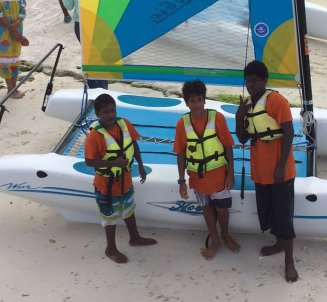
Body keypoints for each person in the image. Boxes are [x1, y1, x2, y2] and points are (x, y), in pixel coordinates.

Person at [235, 60, 298, 283]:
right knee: (269, 211)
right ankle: (278, 243)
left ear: (264, 80)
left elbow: (289, 133)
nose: (250, 85)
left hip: (280, 171)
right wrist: (239, 115)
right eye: (247, 81)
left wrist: (281, 166)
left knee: (284, 215)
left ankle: (289, 261)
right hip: (260, 170)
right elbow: (242, 138)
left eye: (254, 81)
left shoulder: (276, 101)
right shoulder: (248, 105)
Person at [84, 93, 157, 263]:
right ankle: (110, 248)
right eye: (105, 112)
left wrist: (140, 165)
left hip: (125, 181)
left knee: (129, 209)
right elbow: (89, 161)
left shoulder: (124, 124)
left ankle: (135, 238)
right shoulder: (95, 136)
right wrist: (114, 163)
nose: (110, 115)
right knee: (110, 217)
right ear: (98, 114)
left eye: (112, 111)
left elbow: (134, 144)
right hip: (106, 186)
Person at [173, 79, 239, 260]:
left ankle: (225, 235)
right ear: (186, 103)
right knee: (206, 208)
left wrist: (231, 174)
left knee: (223, 209)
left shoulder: (217, 118)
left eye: (199, 100)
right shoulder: (182, 124)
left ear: (204, 100)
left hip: (219, 175)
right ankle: (215, 240)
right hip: (198, 178)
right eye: (192, 101)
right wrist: (181, 182)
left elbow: (228, 146)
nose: (196, 105)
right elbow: (180, 154)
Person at [62, 0, 109, 90]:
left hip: (81, 24)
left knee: (88, 57)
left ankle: (93, 88)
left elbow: (69, 5)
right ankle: (103, 88)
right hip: (99, 22)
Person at [0, 0, 29, 99]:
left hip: (17, 28)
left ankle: (15, 88)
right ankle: (10, 89)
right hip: (3, 32)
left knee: (15, 58)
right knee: (5, 60)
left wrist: (18, 23)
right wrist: (12, 29)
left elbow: (23, 8)